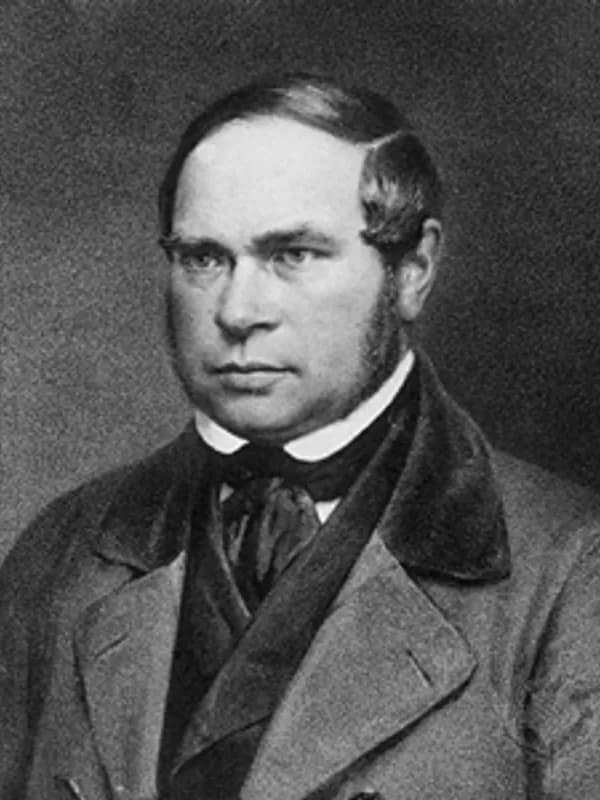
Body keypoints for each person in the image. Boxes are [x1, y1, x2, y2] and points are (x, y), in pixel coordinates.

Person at [1, 73, 600, 800]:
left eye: (293, 254)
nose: (237, 311)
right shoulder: (58, 556)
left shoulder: (571, 573)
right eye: (203, 258)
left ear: (412, 270)